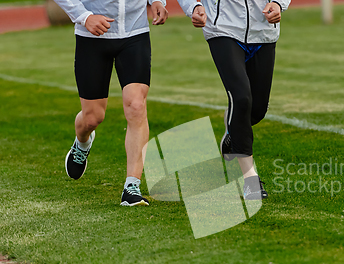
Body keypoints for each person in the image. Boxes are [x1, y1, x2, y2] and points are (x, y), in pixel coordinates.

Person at [54, 0, 168, 206]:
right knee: (92, 117)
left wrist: (157, 1)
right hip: (92, 34)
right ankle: (82, 142)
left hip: (135, 32)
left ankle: (132, 186)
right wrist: (84, 16)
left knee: (136, 105)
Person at [178, 0, 291, 200]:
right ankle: (250, 180)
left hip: (263, 30)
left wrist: (278, 3)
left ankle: (232, 127)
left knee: (256, 110)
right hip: (222, 28)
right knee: (241, 99)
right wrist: (193, 7)